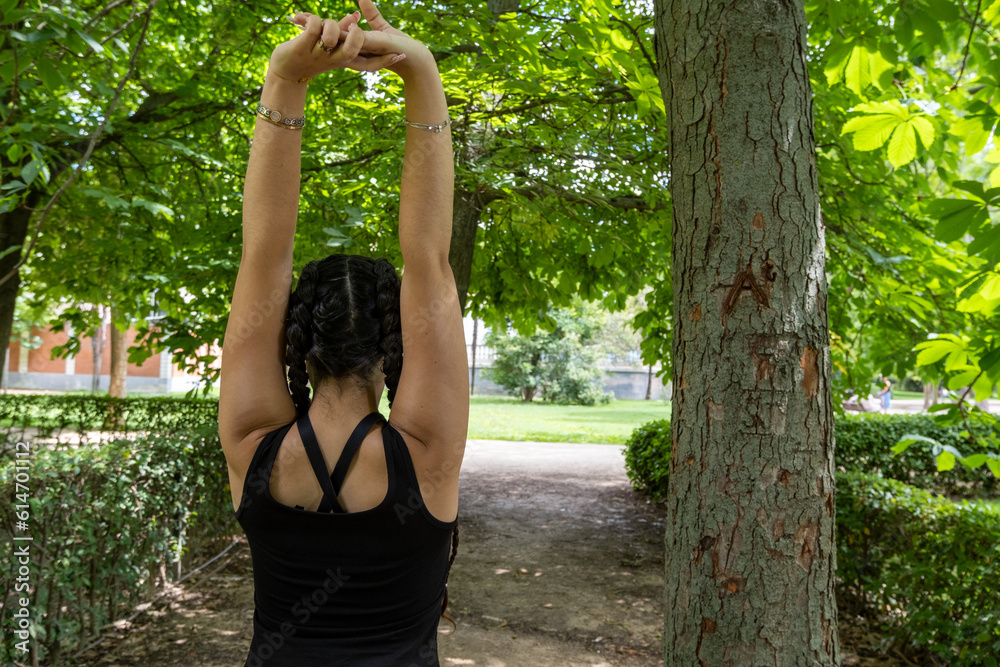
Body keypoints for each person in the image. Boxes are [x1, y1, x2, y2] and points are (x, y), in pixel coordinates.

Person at [217, 3, 469, 664]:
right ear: (394, 344)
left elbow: (263, 256)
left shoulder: (253, 446)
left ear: (297, 339)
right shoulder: (427, 454)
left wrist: (285, 79)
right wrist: (419, 68)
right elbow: (428, 259)